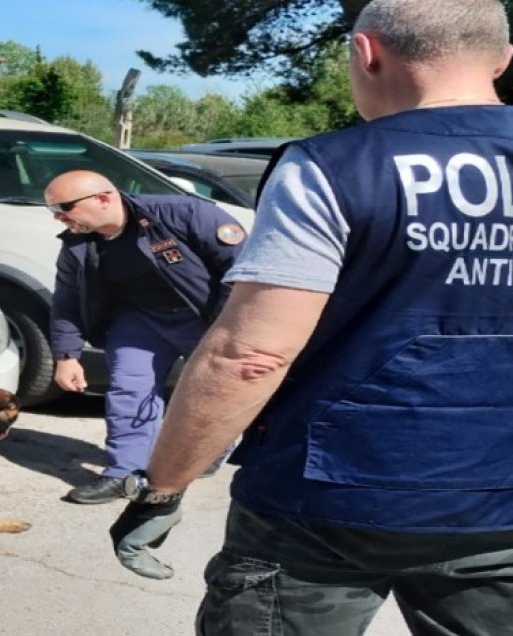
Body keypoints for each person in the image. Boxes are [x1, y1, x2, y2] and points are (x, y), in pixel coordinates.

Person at [109, 0, 513, 633]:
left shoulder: (333, 167)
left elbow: (248, 357)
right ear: (502, 59)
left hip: (322, 503)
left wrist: (163, 487)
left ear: (365, 53)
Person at [45, 170, 247, 504]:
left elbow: (242, 268)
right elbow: (66, 301)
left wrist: (235, 328)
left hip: (206, 318)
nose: (58, 217)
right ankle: (123, 474)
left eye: (63, 207)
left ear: (103, 198)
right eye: (52, 210)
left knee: (209, 392)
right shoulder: (77, 244)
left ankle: (210, 448)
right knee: (128, 389)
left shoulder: (183, 214)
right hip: (141, 320)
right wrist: (67, 356)